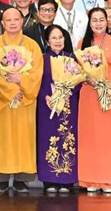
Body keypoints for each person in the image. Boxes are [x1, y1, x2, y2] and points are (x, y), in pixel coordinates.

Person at [0, 7, 43, 194]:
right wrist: (11, 91)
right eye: (8, 20)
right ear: (2, 23)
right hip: (3, 100)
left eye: (16, 19)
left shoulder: (32, 45)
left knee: (23, 137)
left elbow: (37, 72)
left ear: (21, 22)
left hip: (25, 100)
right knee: (2, 137)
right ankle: (1, 178)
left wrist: (22, 82)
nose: (12, 23)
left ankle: (22, 178)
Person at [77, 7, 111, 193]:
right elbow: (77, 68)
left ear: (108, 22)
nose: (98, 23)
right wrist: (85, 78)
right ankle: (90, 178)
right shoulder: (82, 43)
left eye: (101, 20)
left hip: (110, 94)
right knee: (90, 137)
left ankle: (109, 180)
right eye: (94, 20)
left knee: (109, 137)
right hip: (89, 94)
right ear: (89, 23)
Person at [37, 24, 80, 193]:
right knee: (48, 139)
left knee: (67, 139)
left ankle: (66, 179)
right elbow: (36, 82)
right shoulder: (41, 59)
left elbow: (79, 80)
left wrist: (69, 92)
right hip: (47, 105)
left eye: (60, 37)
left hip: (68, 105)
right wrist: (46, 96)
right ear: (47, 41)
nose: (58, 41)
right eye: (54, 38)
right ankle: (49, 179)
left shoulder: (72, 58)